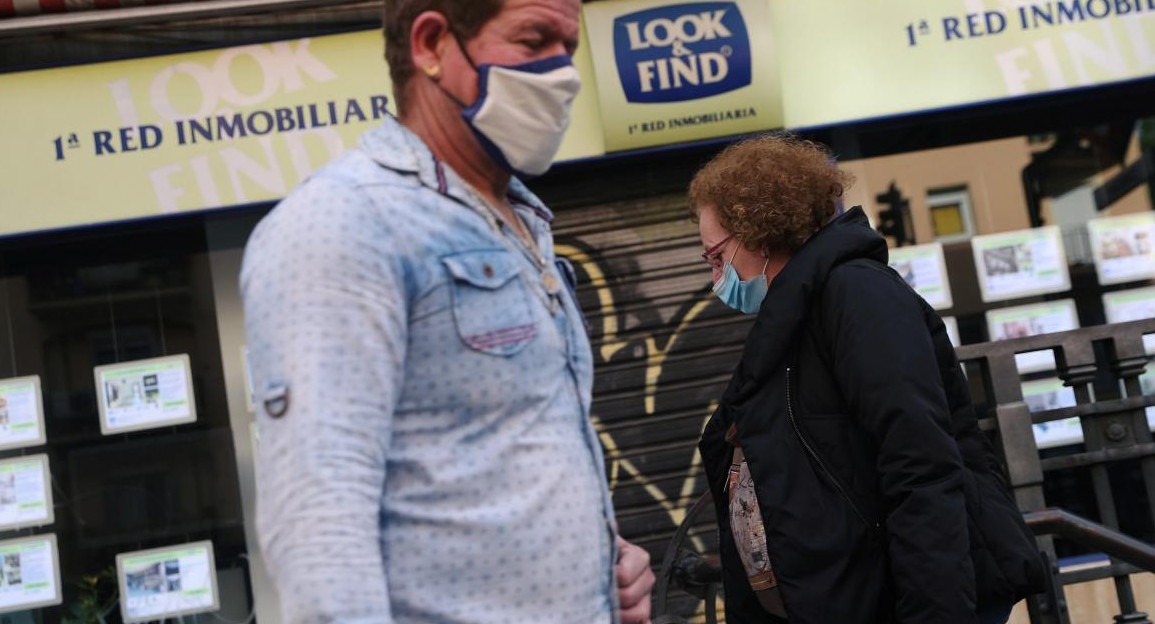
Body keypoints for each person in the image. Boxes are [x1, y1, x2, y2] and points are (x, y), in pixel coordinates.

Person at [240, 1, 654, 622]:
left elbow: (488, 462)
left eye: (568, 47)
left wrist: (599, 567)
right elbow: (320, 529)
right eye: (534, 39)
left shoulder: (521, 216)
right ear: (431, 44)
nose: (563, 71)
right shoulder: (345, 222)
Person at [690, 134, 1043, 623]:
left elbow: (920, 466)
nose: (715, 277)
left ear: (759, 233)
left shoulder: (857, 297)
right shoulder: (794, 318)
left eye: (715, 257)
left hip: (907, 602)